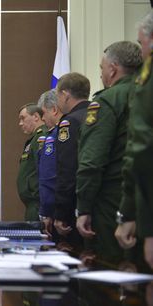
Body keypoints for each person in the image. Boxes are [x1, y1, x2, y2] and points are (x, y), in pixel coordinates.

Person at [75, 41, 142, 265]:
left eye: (102, 68)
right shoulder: (145, 93)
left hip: (112, 204)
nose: (102, 74)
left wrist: (83, 207)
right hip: (144, 199)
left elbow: (92, 161)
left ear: (112, 69)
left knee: (112, 271)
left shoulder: (107, 101)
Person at [115, 10, 153, 271]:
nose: (142, 53)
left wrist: (129, 213)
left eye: (142, 43)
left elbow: (142, 150)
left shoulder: (145, 81)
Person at [53, 72, 91, 252]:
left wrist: (60, 213)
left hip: (75, 205)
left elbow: (67, 169)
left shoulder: (70, 122)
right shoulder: (99, 114)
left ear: (65, 94)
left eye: (57, 95)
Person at [37, 89, 63, 237]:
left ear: (53, 110)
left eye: (43, 113)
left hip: (57, 210)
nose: (42, 119)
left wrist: (46, 212)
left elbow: (49, 177)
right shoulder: (51, 134)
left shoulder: (57, 135)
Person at [16, 104, 47, 221]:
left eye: (23, 118)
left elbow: (44, 170)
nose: (20, 123)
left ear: (35, 117)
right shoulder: (33, 139)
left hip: (38, 204)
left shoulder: (41, 137)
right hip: (32, 204)